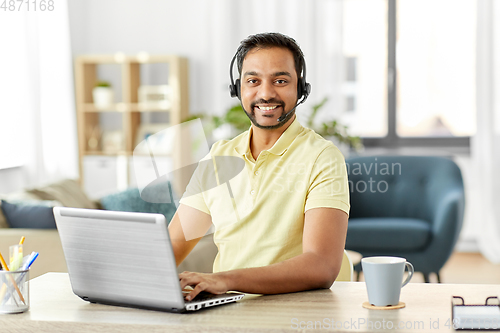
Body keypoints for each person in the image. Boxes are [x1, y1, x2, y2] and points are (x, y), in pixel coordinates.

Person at [168, 32, 349, 301]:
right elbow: (172, 246)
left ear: (301, 89)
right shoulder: (218, 157)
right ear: (237, 88)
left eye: (280, 80)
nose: (266, 93)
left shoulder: (322, 156)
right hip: (227, 312)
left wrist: (224, 280)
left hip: (294, 312)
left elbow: (321, 265)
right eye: (253, 81)